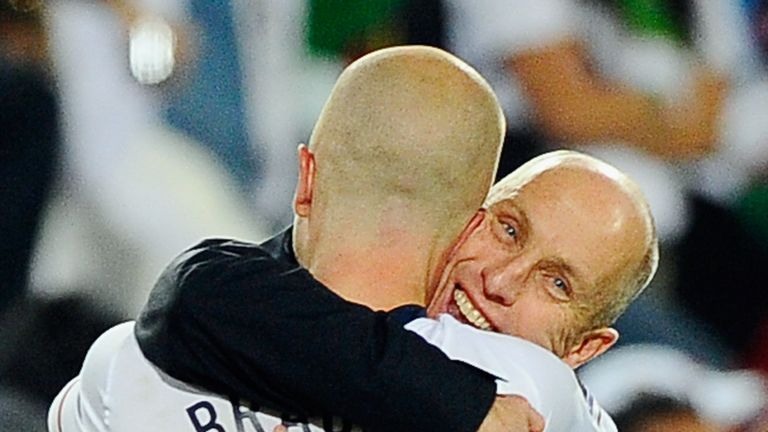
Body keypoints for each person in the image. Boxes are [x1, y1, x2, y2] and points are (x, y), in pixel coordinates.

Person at [50, 46, 656, 431]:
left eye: (556, 283)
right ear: (469, 212)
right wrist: (457, 407)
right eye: (507, 229)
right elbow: (201, 293)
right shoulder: (200, 319)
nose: (497, 281)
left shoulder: (538, 397)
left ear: (583, 350)